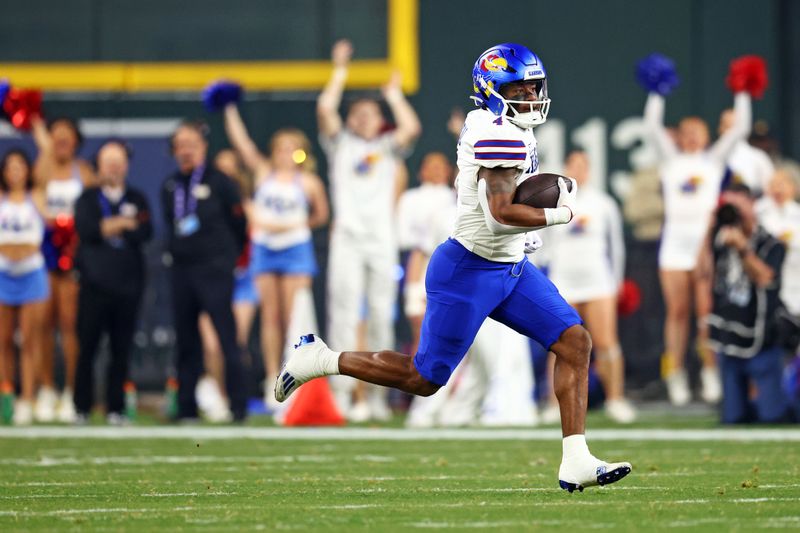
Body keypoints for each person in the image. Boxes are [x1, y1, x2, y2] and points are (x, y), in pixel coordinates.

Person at [279, 43, 631, 492]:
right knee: (424, 379)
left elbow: (503, 211)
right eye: (520, 89)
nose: (531, 96)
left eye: (534, 87)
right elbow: (500, 213)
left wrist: (529, 231)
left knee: (575, 341)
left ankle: (576, 459)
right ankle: (321, 359)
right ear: (493, 90)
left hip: (510, 267)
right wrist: (557, 215)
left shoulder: (507, 126)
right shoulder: (494, 130)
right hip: (467, 270)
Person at [317, 39, 422, 419]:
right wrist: (340, 70)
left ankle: (377, 396)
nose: (363, 118)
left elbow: (411, 127)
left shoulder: (388, 146)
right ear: (349, 120)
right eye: (357, 113)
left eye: (370, 113)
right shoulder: (339, 144)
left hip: (381, 240)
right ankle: (344, 392)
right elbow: (325, 108)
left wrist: (393, 96)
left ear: (380, 120)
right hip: (347, 238)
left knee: (380, 314)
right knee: (343, 314)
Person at [642, 71, 751, 406]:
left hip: (703, 247)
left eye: (696, 132)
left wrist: (742, 91)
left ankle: (709, 371)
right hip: (673, 246)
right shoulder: (670, 161)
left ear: (705, 137)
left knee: (706, 312)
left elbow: (740, 129)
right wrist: (657, 92)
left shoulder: (714, 161)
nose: (690, 137)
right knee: (677, 312)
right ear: (679, 137)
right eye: (685, 132)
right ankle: (675, 374)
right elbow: (650, 128)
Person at [223, 101, 329, 410]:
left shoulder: (308, 182)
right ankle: (272, 375)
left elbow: (321, 214)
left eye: (292, 148)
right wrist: (230, 110)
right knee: (270, 316)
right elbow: (242, 145)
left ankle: (296, 373)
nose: (286, 153)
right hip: (266, 250)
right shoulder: (263, 173)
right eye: (281, 148)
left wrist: (296, 225)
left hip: (295, 249)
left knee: (294, 314)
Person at [161, 121, 248, 422]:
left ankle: (238, 405)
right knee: (186, 339)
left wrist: (226, 260)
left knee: (226, 338)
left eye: (191, 144)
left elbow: (239, 224)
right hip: (182, 270)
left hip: (214, 269)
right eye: (180, 146)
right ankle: (187, 406)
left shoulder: (221, 181)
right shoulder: (170, 185)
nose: (185, 151)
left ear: (203, 146)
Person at [540, 151, 636, 424]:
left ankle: (616, 399)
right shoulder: (554, 202)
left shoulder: (603, 204)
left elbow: (615, 245)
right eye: (573, 165)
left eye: (583, 166)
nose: (578, 170)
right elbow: (542, 243)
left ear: (590, 170)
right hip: (564, 282)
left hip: (598, 282)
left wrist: (616, 282)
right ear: (566, 168)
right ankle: (552, 403)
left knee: (606, 343)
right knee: (559, 344)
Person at [73, 141, 153, 424]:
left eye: (119, 161)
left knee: (121, 350)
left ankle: (115, 408)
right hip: (94, 284)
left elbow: (145, 231)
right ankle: (81, 407)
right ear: (99, 165)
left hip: (128, 285)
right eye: (109, 162)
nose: (114, 167)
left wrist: (111, 226)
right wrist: (121, 223)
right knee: (88, 348)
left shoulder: (137, 196)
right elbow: (87, 230)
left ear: (127, 165)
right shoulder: (88, 197)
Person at [30, 116, 96, 423]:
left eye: (67, 136)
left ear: (76, 141)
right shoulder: (41, 170)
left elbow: (92, 210)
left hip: (74, 255)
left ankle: (72, 390)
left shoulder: (82, 172)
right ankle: (46, 388)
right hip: (45, 254)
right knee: (44, 323)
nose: (62, 141)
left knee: (70, 325)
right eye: (56, 136)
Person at [707, 184, 788, 423]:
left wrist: (743, 249)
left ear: (752, 204)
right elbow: (702, 273)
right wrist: (708, 230)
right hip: (730, 337)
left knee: (773, 417)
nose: (733, 214)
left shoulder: (771, 243)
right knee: (732, 419)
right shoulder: (719, 239)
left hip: (761, 337)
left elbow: (765, 278)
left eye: (737, 207)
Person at [0, 149, 49, 425]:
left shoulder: (37, 197)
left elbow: (49, 157)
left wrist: (35, 122)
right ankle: (6, 394)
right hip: (3, 274)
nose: (15, 171)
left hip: (31, 274)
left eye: (20, 165)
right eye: (10, 166)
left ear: (28, 170)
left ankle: (27, 399)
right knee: (3, 341)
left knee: (30, 340)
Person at [718, 109, 775, 196]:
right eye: (727, 126)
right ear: (720, 128)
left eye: (734, 127)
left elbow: (771, 189)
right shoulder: (710, 157)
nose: (731, 133)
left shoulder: (759, 157)